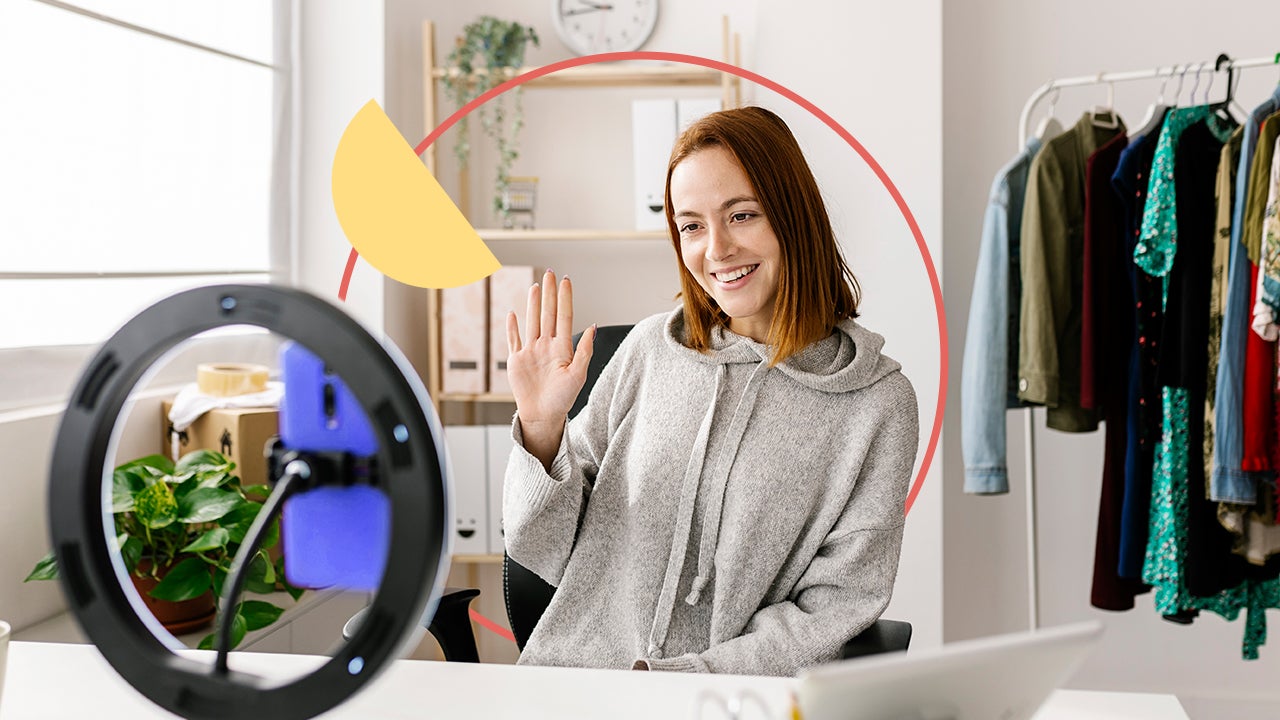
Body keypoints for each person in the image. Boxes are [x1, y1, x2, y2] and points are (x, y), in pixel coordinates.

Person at [502, 106, 919, 676]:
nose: (716, 249)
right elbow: (540, 551)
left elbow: (834, 610)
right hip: (572, 686)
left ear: (794, 216)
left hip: (729, 703)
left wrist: (687, 683)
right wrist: (543, 429)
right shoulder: (648, 352)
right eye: (692, 226)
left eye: (741, 215)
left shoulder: (876, 403)